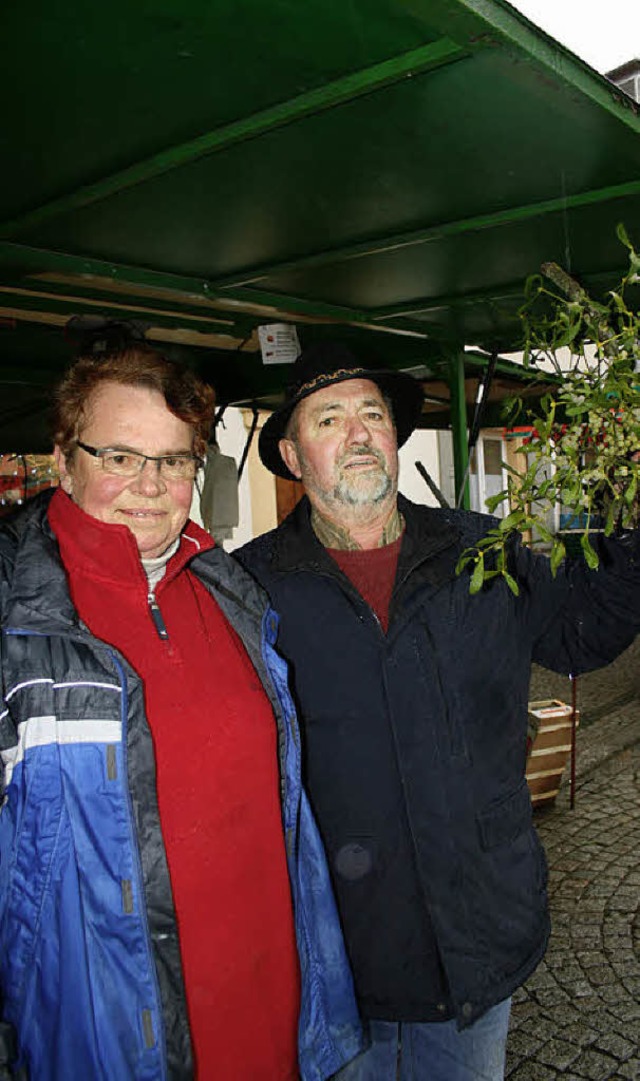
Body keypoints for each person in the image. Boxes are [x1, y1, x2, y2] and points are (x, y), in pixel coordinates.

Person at [236, 340, 640, 1081]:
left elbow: (583, 634)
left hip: (475, 952)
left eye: (372, 413)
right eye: (329, 419)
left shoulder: (483, 554)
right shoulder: (249, 590)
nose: (358, 433)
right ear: (294, 455)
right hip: (334, 965)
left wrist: (632, 534)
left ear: (394, 436)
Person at [0, 344, 363, 1081]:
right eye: (120, 456)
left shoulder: (232, 594)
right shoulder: (16, 623)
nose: (151, 484)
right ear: (65, 458)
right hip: (107, 1044)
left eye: (174, 460)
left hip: (274, 1022)